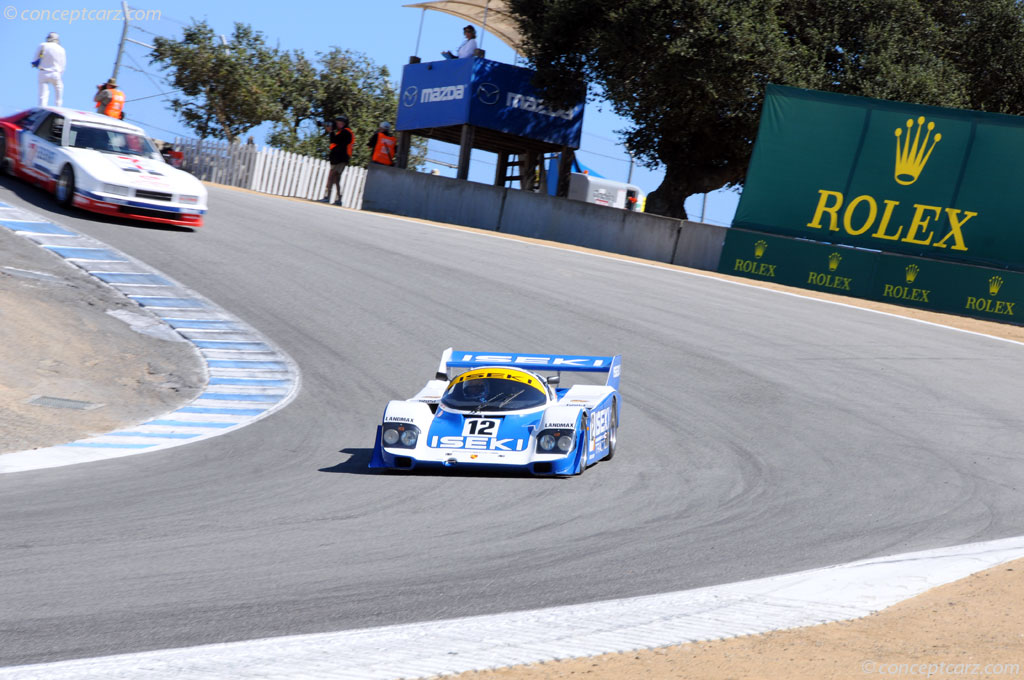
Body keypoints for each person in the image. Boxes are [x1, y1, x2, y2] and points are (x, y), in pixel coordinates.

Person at [321, 115, 353, 205]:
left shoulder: (346, 132)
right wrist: (331, 131)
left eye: (339, 122)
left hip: (341, 159)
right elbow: (334, 141)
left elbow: (335, 141)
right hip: (337, 159)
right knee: (335, 178)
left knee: (333, 176)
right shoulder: (341, 132)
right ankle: (338, 199)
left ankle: (328, 197)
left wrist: (331, 131)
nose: (337, 124)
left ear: (343, 123)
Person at [32, 32, 66, 107]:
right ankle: (59, 108)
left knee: (43, 96)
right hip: (56, 73)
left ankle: (42, 108)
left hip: (43, 72)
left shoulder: (43, 45)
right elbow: (63, 65)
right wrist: (59, 74)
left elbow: (35, 60)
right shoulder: (61, 49)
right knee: (59, 93)